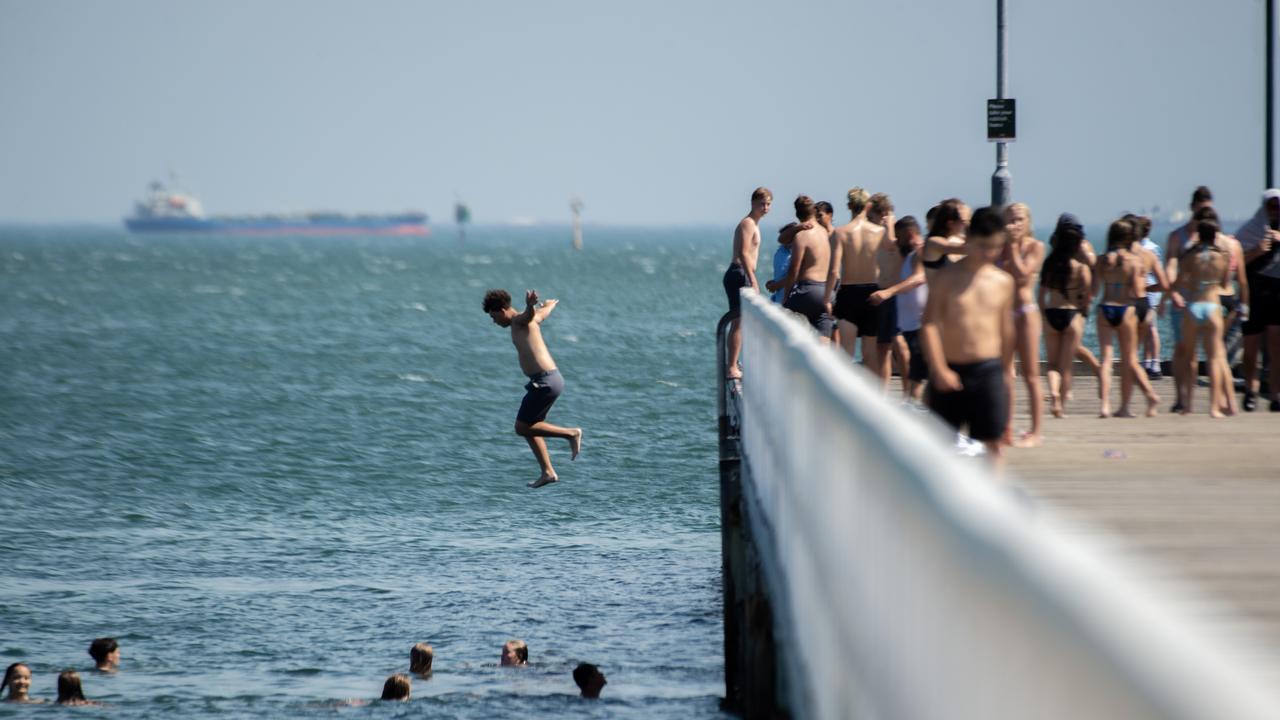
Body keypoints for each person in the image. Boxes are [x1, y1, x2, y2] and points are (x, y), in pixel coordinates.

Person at [919, 206, 1015, 465]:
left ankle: (992, 500)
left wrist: (1006, 371)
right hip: (951, 369)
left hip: (988, 369)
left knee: (993, 444)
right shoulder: (946, 278)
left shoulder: (1002, 281)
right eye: (983, 246)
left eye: (995, 247)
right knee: (940, 445)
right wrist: (938, 368)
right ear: (969, 239)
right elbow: (928, 324)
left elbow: (1006, 330)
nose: (989, 254)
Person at [483, 288, 583, 489]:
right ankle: (547, 472)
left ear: (502, 310)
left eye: (493, 317)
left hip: (544, 382)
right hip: (550, 380)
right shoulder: (530, 320)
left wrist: (530, 306)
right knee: (530, 426)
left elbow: (528, 315)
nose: (494, 322)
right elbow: (540, 315)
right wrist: (548, 306)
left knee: (521, 427)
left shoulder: (520, 321)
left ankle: (571, 434)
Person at [1094, 218, 1160, 418]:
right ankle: (1136, 401)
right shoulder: (1134, 261)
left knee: (1106, 360)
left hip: (1105, 307)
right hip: (1126, 309)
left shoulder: (1101, 260)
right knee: (1129, 359)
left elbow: (1093, 289)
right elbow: (1136, 290)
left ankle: (1105, 405)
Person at [1170, 216, 1233, 417]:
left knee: (1190, 357)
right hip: (1212, 306)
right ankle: (1214, 408)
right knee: (1214, 358)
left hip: (1194, 305)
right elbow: (1224, 284)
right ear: (1215, 235)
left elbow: (1180, 281)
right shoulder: (1223, 256)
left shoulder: (1190, 256)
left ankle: (1188, 405)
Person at [1165, 186, 1216, 412]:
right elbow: (1171, 266)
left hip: (1207, 301)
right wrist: (1172, 293)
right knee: (1182, 350)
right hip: (1183, 301)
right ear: (1193, 208)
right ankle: (1180, 396)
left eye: (1209, 210)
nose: (1205, 214)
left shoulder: (1215, 236)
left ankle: (1191, 400)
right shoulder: (1178, 237)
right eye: (1202, 209)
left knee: (1203, 353)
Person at [999, 203, 1046, 447]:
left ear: (1027, 221)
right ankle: (1006, 427)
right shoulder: (1000, 248)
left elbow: (1023, 275)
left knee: (1031, 375)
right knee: (1006, 374)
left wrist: (1014, 245)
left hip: (1025, 312)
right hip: (1004, 313)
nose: (1014, 225)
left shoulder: (1035, 247)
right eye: (1009, 220)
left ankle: (1036, 431)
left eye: (1018, 220)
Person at [1040, 215, 1093, 419]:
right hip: (1072, 315)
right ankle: (1060, 406)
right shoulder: (1081, 268)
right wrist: (1083, 313)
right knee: (1066, 367)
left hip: (1052, 313)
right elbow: (1086, 297)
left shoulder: (1049, 264)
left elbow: (1041, 295)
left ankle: (1053, 393)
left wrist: (1044, 314)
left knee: (1052, 365)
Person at [871, 216, 928, 402]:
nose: (897, 243)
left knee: (922, 373)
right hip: (911, 323)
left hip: (922, 323)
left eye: (900, 238)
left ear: (910, 234)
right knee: (918, 374)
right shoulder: (909, 253)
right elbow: (890, 244)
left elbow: (919, 278)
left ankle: (913, 403)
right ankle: (910, 402)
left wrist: (889, 292)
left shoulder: (920, 252)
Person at [826, 187, 884, 361]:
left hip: (849, 293)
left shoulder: (841, 233)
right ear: (867, 206)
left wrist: (827, 299)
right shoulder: (880, 232)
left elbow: (834, 271)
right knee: (870, 353)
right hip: (873, 292)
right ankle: (876, 389)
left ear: (849, 206)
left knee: (846, 351)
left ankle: (842, 388)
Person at [724, 187, 772, 379]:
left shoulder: (755, 224)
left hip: (742, 272)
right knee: (738, 322)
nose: (766, 207)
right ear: (753, 203)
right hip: (739, 273)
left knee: (740, 322)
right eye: (762, 203)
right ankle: (731, 367)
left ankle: (734, 363)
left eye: (768, 204)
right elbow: (743, 252)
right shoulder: (748, 223)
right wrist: (752, 279)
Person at [1239, 188, 1280, 411]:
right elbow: (1234, 262)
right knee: (1251, 347)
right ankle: (1251, 391)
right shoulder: (1251, 229)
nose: (1275, 211)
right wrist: (1256, 250)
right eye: (1271, 206)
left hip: (1276, 292)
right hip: (1254, 292)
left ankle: (1276, 395)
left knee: (1276, 346)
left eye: (1278, 206)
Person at [777, 196, 835, 340]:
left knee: (782, 322)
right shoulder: (826, 233)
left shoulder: (802, 236)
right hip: (827, 291)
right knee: (824, 341)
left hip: (808, 291)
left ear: (797, 214)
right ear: (814, 212)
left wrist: (785, 299)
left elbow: (793, 270)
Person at [866, 193, 905, 391]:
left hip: (893, 295)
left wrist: (889, 222)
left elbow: (891, 245)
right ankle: (882, 391)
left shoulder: (892, 232)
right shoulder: (877, 232)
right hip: (881, 292)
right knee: (882, 348)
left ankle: (909, 392)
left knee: (897, 346)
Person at [1135, 216, 1165, 377]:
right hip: (1147, 290)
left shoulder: (1149, 248)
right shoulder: (1153, 247)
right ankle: (1146, 362)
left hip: (1150, 290)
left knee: (1151, 328)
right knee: (1146, 328)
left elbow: (1155, 272)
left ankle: (1156, 363)